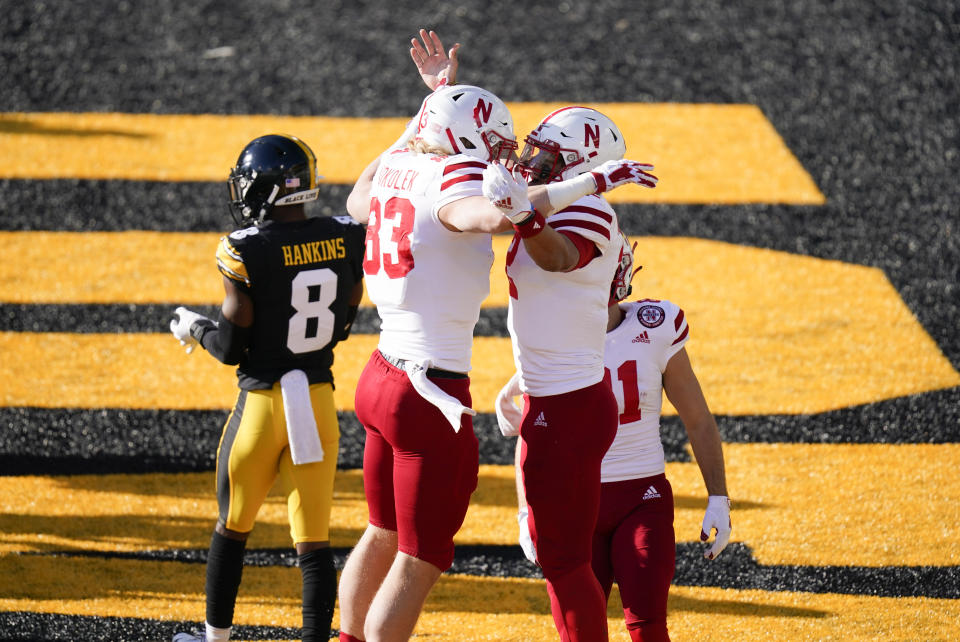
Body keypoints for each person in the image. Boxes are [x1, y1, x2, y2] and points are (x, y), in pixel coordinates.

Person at [336, 31, 654, 642]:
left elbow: (359, 201)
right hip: (428, 389)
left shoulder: (399, 167)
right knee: (419, 554)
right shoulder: (465, 185)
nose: (520, 157)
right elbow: (497, 212)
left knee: (390, 532)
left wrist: (434, 106)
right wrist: (586, 180)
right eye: (508, 148)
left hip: (383, 372)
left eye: (544, 153)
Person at [168, 134, 366, 642]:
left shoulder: (244, 249)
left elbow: (232, 347)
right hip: (318, 402)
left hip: (261, 405)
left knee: (232, 528)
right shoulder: (347, 236)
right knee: (314, 543)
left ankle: (216, 640)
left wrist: (196, 328)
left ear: (270, 189)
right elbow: (344, 319)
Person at [498, 234, 732, 642]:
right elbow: (533, 433)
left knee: (647, 627)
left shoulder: (656, 326)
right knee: (579, 634)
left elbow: (698, 418)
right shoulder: (548, 339)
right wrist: (524, 510)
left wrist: (718, 496)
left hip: (641, 498)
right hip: (572, 503)